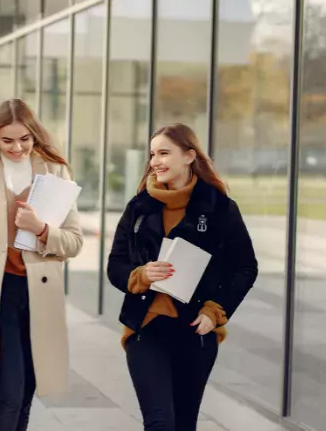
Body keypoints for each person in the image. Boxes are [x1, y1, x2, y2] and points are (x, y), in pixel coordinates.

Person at [107, 123, 259, 431]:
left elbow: (245, 267)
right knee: (160, 422)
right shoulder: (139, 208)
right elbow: (115, 266)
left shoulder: (219, 209)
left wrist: (214, 311)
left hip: (196, 331)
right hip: (145, 329)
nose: (155, 162)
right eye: (152, 154)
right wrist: (141, 275)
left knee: (184, 424)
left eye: (164, 153)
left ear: (189, 156)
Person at [0, 99, 83, 431]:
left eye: (24, 139)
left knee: (25, 395)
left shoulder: (55, 172)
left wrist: (40, 229)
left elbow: (74, 242)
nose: (17, 147)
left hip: (39, 295)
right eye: (7, 140)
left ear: (34, 135)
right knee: (7, 393)